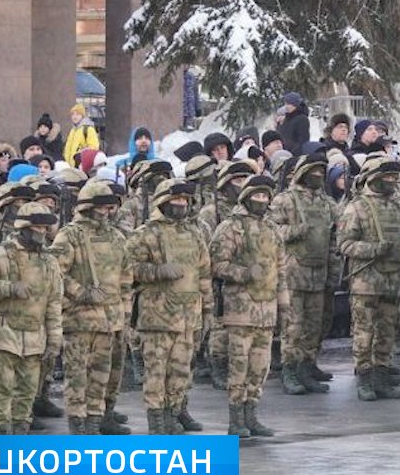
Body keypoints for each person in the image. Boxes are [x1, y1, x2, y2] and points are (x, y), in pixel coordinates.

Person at [50, 179, 132, 434]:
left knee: (101, 376)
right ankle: (78, 426)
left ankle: (95, 422)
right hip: (79, 320)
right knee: (78, 377)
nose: (106, 212)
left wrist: (124, 313)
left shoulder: (117, 238)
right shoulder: (70, 235)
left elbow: (126, 278)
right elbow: (55, 274)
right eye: (101, 207)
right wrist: (81, 292)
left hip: (110, 321)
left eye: (109, 208)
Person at [129, 179, 211, 433]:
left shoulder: (195, 234)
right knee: (156, 374)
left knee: (180, 373)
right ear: (163, 202)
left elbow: (204, 273)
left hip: (188, 317)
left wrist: (207, 308)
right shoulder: (145, 234)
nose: (181, 205)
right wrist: (157, 271)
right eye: (176, 200)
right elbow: (127, 270)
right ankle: (156, 422)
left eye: (185, 201)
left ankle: (172, 416)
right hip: (157, 318)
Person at [0, 202, 64, 434]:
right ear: (23, 228)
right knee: (1, 393)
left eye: (45, 228)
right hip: (4, 335)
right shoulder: (0, 254)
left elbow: (54, 303)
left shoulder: (49, 261)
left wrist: (55, 339)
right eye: (36, 227)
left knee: (27, 395)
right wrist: (9, 288)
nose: (41, 233)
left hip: (35, 339)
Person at [211, 176, 283, 440]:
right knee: (239, 366)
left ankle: (252, 415)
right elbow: (217, 264)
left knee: (260, 367)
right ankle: (235, 419)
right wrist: (243, 273)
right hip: (241, 310)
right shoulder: (230, 228)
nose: (262, 201)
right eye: (258, 196)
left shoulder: (273, 230)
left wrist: (283, 304)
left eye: (266, 197)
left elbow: (281, 268)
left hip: (267, 309)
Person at [336, 156, 400, 403]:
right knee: (364, 332)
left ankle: (382, 373)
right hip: (366, 280)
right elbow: (344, 245)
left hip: (393, 278)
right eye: (386, 177)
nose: (391, 181)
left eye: (394, 177)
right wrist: (373, 249)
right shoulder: (357, 207)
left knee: (387, 331)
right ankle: (364, 376)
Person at [270, 150, 337, 394]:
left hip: (319, 274)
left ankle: (307, 368)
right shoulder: (284, 200)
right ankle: (289, 370)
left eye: (322, 171)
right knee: (293, 327)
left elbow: (334, 239)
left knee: (313, 326)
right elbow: (272, 232)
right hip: (293, 275)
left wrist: (333, 274)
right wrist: (295, 231)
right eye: (314, 171)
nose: (318, 175)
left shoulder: (327, 203)